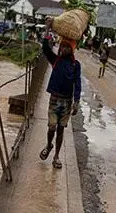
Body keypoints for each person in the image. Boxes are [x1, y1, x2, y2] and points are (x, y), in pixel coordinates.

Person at [39, 18, 82, 169]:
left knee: (61, 129)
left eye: (66, 47)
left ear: (71, 49)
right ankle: (49, 145)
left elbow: (78, 83)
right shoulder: (55, 60)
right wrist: (47, 29)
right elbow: (45, 48)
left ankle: (56, 156)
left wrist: (76, 101)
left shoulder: (75, 65)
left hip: (67, 102)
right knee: (51, 127)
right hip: (54, 100)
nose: (62, 49)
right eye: (62, 47)